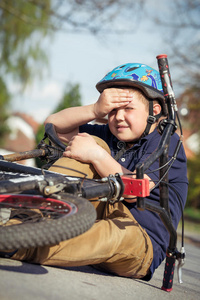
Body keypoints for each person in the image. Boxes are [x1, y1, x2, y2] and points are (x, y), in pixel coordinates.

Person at [1, 63, 188, 280]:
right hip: (99, 211)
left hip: (139, 239)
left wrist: (96, 155)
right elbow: (54, 126)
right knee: (89, 142)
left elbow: (135, 191)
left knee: (112, 233)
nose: (118, 117)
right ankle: (24, 216)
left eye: (128, 108)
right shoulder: (110, 135)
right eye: (112, 110)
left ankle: (16, 243)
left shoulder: (167, 143)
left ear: (154, 112)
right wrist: (95, 110)